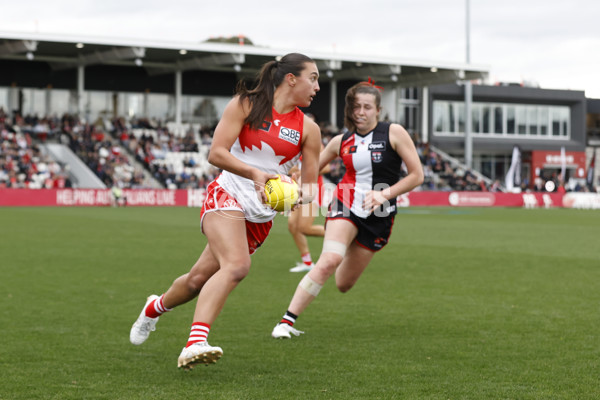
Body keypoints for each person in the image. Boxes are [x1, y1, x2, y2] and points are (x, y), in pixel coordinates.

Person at [129, 53, 322, 369]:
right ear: (291, 79)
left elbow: (311, 189)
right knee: (236, 266)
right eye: (312, 78)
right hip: (227, 194)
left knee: (196, 281)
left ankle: (154, 308)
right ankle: (195, 342)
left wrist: (293, 197)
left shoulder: (308, 129)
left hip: (260, 216)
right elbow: (216, 153)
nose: (317, 87)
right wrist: (256, 175)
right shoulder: (246, 104)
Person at [271, 79, 424, 339]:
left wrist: (384, 194)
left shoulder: (394, 132)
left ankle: (346, 249)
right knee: (329, 259)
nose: (360, 112)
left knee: (343, 284)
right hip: (346, 201)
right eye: (356, 107)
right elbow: (311, 170)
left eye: (366, 107)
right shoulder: (340, 141)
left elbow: (416, 175)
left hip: (380, 215)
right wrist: (293, 182)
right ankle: (285, 322)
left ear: (378, 110)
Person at [287, 134, 331, 273]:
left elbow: (326, 168)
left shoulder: (316, 144)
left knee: (305, 227)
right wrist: (292, 171)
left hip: (312, 189)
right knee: (293, 226)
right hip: (296, 189)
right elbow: (289, 169)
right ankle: (307, 262)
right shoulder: (293, 145)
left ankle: (343, 236)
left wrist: (302, 171)